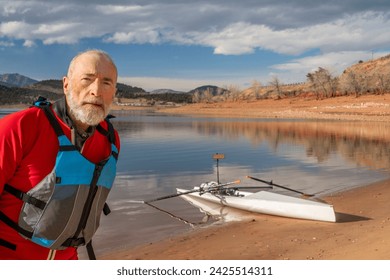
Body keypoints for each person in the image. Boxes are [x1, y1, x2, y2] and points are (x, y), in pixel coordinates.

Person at [0, 50, 120, 260]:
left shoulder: (110, 140)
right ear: (66, 84)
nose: (96, 91)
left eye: (106, 83)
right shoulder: (20, 127)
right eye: (87, 79)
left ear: (114, 91)